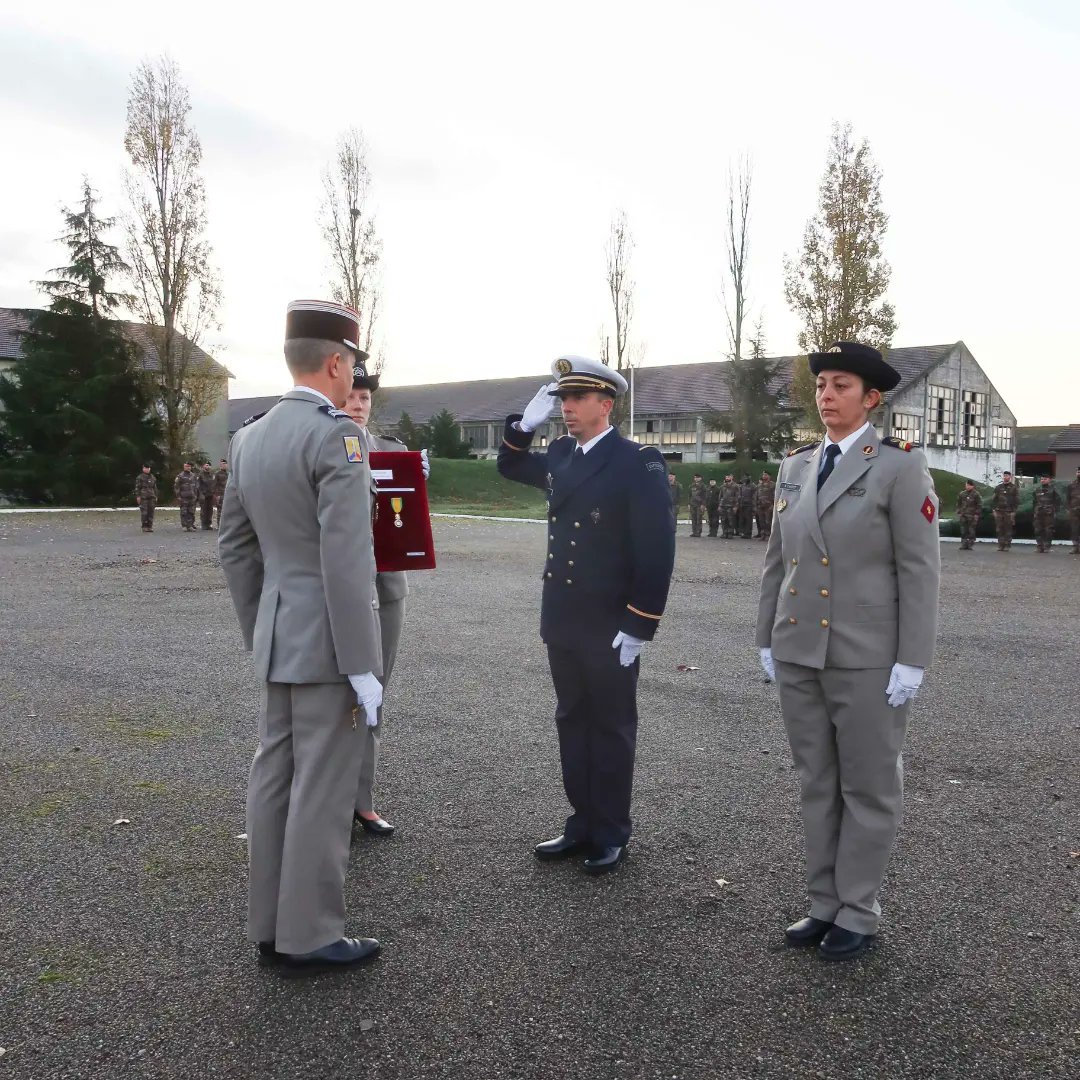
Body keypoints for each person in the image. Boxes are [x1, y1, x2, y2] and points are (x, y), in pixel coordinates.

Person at [756, 341, 940, 962]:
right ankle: (823, 903)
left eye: (840, 386)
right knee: (817, 782)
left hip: (866, 655)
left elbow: (919, 572)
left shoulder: (897, 466)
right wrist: (765, 636)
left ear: (871, 398)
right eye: (821, 385)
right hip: (801, 647)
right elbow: (777, 563)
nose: (827, 395)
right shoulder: (797, 466)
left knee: (868, 787)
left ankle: (859, 908)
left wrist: (912, 657)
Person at [218, 298, 384, 975]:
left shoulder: (248, 437)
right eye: (352, 368)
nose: (354, 383)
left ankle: (270, 924)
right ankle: (310, 932)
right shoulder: (338, 437)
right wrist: (364, 664)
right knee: (321, 785)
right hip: (329, 649)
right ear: (336, 363)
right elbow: (346, 562)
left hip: (281, 637)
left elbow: (235, 549)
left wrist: (264, 626)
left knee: (275, 778)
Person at [497, 355, 675, 874]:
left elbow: (656, 549)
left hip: (610, 620)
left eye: (576, 399)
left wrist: (641, 621)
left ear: (605, 403)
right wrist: (522, 426)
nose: (567, 408)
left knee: (612, 725)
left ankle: (612, 829)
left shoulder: (636, 461)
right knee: (572, 719)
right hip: (564, 616)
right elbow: (509, 466)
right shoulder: (560, 454)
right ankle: (582, 821)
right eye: (562, 400)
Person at [343, 359, 430, 839]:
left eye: (365, 398)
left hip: (386, 588)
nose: (357, 404)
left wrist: (418, 483)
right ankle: (326, 801)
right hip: (336, 591)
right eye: (351, 395)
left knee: (374, 696)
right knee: (332, 700)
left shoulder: (392, 452)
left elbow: (406, 523)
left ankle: (362, 801)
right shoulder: (322, 445)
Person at [1032, 475, 1062, 553]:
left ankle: (1046, 546)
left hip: (1049, 513)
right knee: (1038, 530)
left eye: (1045, 479)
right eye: (1042, 479)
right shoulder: (1037, 489)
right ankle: (1039, 546)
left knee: (1048, 530)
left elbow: (1058, 501)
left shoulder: (1053, 489)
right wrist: (1034, 511)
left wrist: (1055, 511)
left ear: (1049, 480)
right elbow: (1034, 501)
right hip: (1038, 513)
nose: (1043, 480)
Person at [991, 471, 1019, 550]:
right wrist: (994, 510)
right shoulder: (998, 487)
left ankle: (1007, 545)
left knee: (1008, 528)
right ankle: (1000, 545)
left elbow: (1016, 500)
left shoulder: (1014, 488)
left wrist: (1014, 511)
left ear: (1010, 477)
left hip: (1009, 511)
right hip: (999, 511)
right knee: (999, 528)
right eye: (1004, 476)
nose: (1005, 477)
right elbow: (993, 499)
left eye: (1007, 476)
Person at [955, 480, 982, 550]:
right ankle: (964, 544)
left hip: (972, 516)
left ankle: (970, 544)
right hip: (963, 515)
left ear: (972, 486)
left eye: (969, 485)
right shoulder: (962, 494)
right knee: (963, 530)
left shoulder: (976, 494)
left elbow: (979, 505)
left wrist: (977, 514)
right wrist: (959, 512)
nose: (967, 487)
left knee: (971, 531)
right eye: (966, 485)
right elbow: (958, 503)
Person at [174, 463, 199, 532]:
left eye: (189, 466)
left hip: (192, 496)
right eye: (186, 466)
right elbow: (176, 487)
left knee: (191, 512)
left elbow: (196, 486)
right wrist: (178, 496)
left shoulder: (193, 475)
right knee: (184, 511)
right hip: (183, 496)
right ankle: (184, 525)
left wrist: (196, 495)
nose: (188, 468)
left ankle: (190, 525)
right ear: (184, 467)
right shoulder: (180, 476)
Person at [134, 465, 157, 533]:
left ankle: (150, 526)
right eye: (145, 468)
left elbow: (155, 487)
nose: (147, 469)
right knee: (144, 512)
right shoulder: (140, 477)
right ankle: (144, 526)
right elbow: (137, 487)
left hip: (152, 496)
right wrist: (138, 496)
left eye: (148, 468)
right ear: (143, 469)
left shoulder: (152, 477)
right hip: (143, 497)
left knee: (151, 512)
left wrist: (156, 496)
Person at [755, 471, 775, 541]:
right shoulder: (759, 485)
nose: (764, 476)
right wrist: (756, 505)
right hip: (760, 506)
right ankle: (762, 534)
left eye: (766, 475)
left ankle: (769, 535)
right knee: (761, 521)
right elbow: (756, 495)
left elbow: (775, 495)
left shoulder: (773, 485)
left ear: (769, 476)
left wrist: (773, 505)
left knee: (768, 522)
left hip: (769, 506)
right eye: (763, 475)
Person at [197, 462, 216, 530]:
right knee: (204, 510)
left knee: (210, 510)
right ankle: (204, 524)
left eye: (209, 465)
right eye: (206, 465)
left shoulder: (212, 474)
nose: (208, 467)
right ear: (203, 466)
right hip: (203, 494)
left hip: (210, 494)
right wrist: (200, 494)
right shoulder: (201, 475)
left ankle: (209, 524)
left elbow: (214, 483)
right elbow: (198, 485)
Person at [738, 474, 756, 538]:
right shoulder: (742, 485)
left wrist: (754, 506)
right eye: (745, 477)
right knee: (743, 519)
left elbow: (754, 496)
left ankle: (748, 533)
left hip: (749, 505)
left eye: (747, 477)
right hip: (742, 504)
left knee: (748, 519)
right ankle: (744, 532)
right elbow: (740, 495)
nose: (745, 478)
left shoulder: (753, 486)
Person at [212, 459, 228, 528]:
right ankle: (220, 525)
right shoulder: (217, 474)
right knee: (220, 510)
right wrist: (216, 495)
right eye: (221, 464)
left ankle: (226, 525)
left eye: (224, 464)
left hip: (227, 495)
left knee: (227, 510)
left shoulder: (229, 473)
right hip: (220, 494)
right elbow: (214, 485)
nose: (223, 465)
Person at [1068, 467, 1080, 555]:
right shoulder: (1071, 485)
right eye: (1078, 472)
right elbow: (1068, 498)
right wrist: (1069, 509)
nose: (1079, 473)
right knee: (1075, 529)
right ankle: (1075, 547)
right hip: (1074, 511)